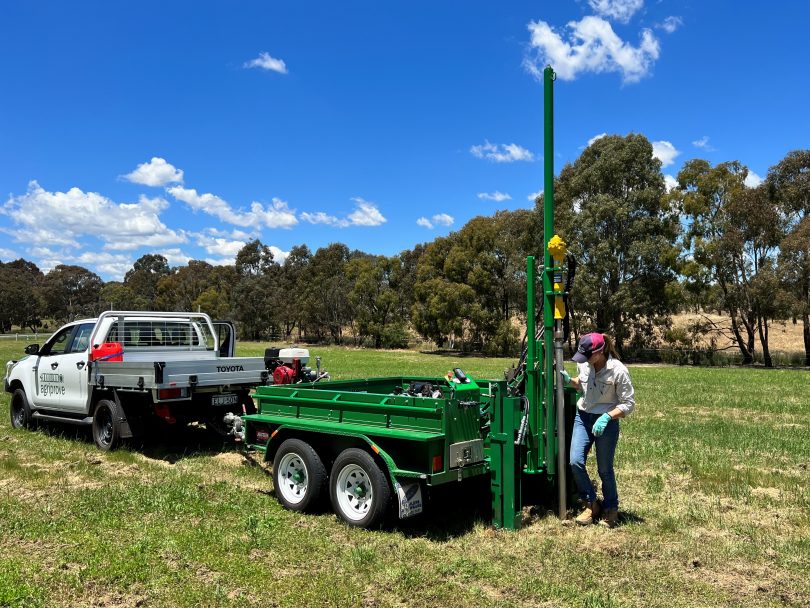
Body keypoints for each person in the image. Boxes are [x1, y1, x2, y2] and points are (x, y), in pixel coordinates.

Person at [560, 332, 635, 527]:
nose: (584, 360)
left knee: (604, 469)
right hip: (583, 416)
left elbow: (628, 404)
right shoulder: (584, 364)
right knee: (575, 461)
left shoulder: (618, 370)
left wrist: (608, 416)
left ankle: (611, 509)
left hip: (606, 421)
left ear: (600, 352)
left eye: (588, 356)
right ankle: (591, 504)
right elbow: (584, 387)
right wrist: (570, 381)